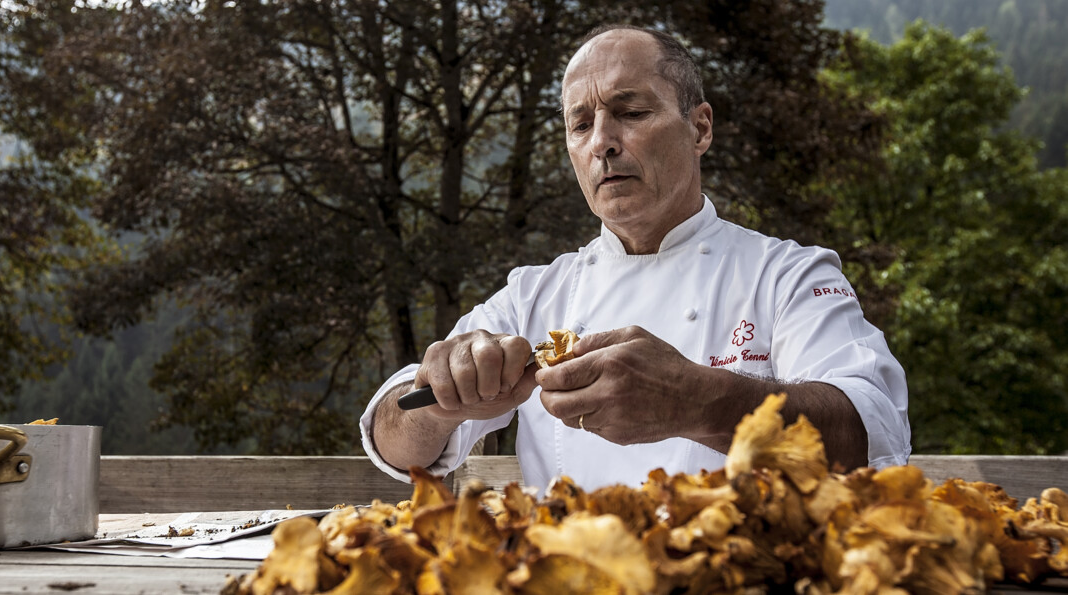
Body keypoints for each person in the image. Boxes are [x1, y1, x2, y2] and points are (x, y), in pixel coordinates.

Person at [359, 24, 910, 491]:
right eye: (581, 124)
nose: (602, 141)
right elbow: (393, 438)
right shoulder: (534, 295)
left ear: (700, 128)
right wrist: (438, 400)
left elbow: (871, 429)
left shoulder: (786, 276)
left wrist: (700, 402)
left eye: (631, 111)